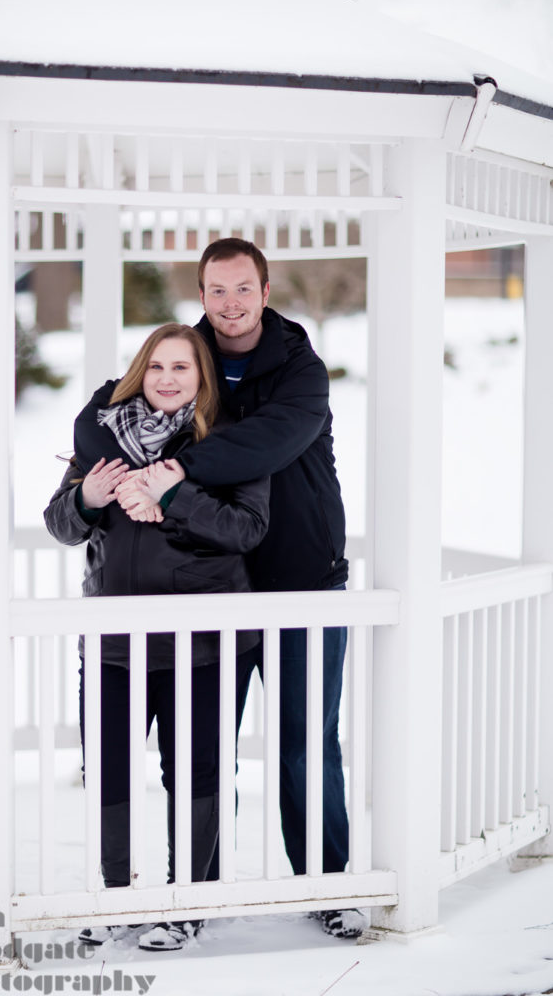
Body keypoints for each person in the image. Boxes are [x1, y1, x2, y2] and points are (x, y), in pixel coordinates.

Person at [74, 239, 364, 941]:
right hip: (216, 591)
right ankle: (193, 897)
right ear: (199, 294)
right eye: (215, 290)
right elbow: (117, 407)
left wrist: (162, 474)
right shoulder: (189, 359)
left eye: (242, 289)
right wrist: (111, 469)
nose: (229, 304)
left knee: (304, 744)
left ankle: (327, 885)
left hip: (302, 584)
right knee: (205, 754)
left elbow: (260, 445)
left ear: (265, 291)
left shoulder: (302, 372)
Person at [45, 323, 269, 952]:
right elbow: (60, 525)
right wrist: (86, 498)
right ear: (139, 372)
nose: (168, 379)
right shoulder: (102, 438)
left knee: (194, 769)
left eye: (183, 369)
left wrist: (173, 495)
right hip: (115, 638)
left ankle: (190, 898)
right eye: (157, 367)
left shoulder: (229, 444)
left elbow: (246, 529)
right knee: (109, 765)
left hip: (201, 642)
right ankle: (117, 894)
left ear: (202, 380)